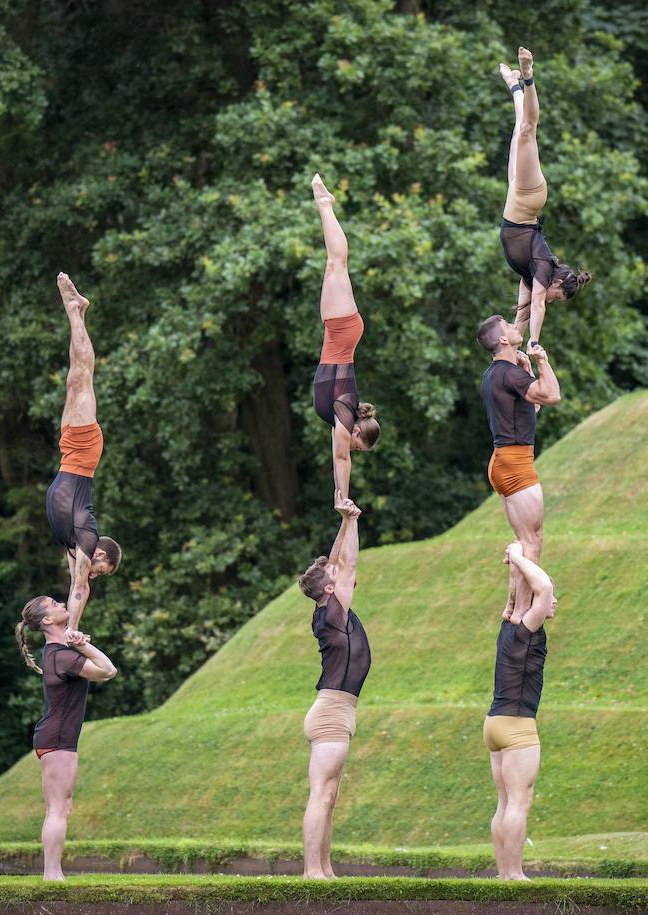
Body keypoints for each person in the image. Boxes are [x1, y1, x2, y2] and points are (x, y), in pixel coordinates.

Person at [16, 596, 118, 880]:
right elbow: (108, 671)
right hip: (57, 740)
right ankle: (52, 874)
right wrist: (82, 645)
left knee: (61, 807)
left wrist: (77, 642)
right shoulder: (62, 656)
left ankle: (53, 873)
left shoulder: (59, 652)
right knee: (58, 809)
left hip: (56, 739)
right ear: (47, 620)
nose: (61, 603)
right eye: (54, 603)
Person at [296, 495, 370, 879]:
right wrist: (353, 521)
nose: (338, 574)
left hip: (339, 711)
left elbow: (338, 561)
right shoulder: (332, 613)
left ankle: (325, 870)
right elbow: (349, 563)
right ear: (329, 589)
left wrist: (343, 522)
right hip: (331, 713)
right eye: (333, 577)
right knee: (321, 795)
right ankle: (312, 871)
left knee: (329, 798)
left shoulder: (330, 607)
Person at [497, 46, 592, 348]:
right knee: (528, 130)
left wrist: (515, 347)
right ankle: (528, 75)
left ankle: (514, 85)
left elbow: (522, 315)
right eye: (558, 297)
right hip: (528, 198)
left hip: (516, 195)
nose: (552, 300)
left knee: (519, 131)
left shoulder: (531, 275)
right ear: (558, 284)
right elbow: (538, 305)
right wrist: (535, 342)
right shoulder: (543, 267)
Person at [45, 272, 121, 632]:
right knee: (82, 374)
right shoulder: (87, 539)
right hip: (84, 452)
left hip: (69, 451)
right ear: (100, 554)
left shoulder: (74, 545)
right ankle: (75, 309)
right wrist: (72, 628)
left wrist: (67, 627)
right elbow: (80, 587)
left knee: (74, 379)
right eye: (102, 570)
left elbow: (75, 583)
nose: (95, 574)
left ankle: (77, 311)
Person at [477, 314, 560, 619]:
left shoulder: (495, 373)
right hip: (515, 463)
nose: (517, 328)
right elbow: (552, 395)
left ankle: (512, 607)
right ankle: (524, 613)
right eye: (510, 327)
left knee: (524, 541)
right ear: (503, 339)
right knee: (532, 542)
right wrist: (542, 361)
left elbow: (530, 407)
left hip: (503, 460)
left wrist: (526, 370)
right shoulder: (509, 374)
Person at [485, 540, 557, 880]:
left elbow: (521, 596)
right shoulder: (528, 629)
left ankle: (504, 874)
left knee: (504, 802)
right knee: (519, 801)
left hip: (494, 723)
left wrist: (516, 567)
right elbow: (543, 589)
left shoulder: (510, 624)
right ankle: (513, 873)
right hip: (517, 726)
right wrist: (517, 556)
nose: (553, 601)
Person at [311, 174, 380, 502]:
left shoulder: (342, 414)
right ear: (356, 432)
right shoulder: (345, 411)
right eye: (357, 445)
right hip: (342, 328)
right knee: (336, 263)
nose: (351, 448)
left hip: (337, 329)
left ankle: (325, 206)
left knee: (334, 265)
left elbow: (339, 453)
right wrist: (343, 498)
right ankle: (325, 205)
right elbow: (341, 458)